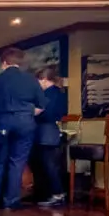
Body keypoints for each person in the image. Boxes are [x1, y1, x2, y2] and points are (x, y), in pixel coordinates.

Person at [0, 48, 46, 210]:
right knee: (17, 162)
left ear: (4, 63)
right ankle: (11, 201)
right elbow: (41, 106)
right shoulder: (31, 80)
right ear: (20, 63)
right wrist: (26, 114)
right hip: (25, 123)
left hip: (2, 121)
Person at [33, 67, 68, 207]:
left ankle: (57, 194)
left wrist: (33, 112)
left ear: (44, 80)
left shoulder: (47, 94)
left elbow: (45, 114)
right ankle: (55, 193)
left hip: (45, 132)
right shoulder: (59, 93)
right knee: (50, 164)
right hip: (52, 131)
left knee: (48, 165)